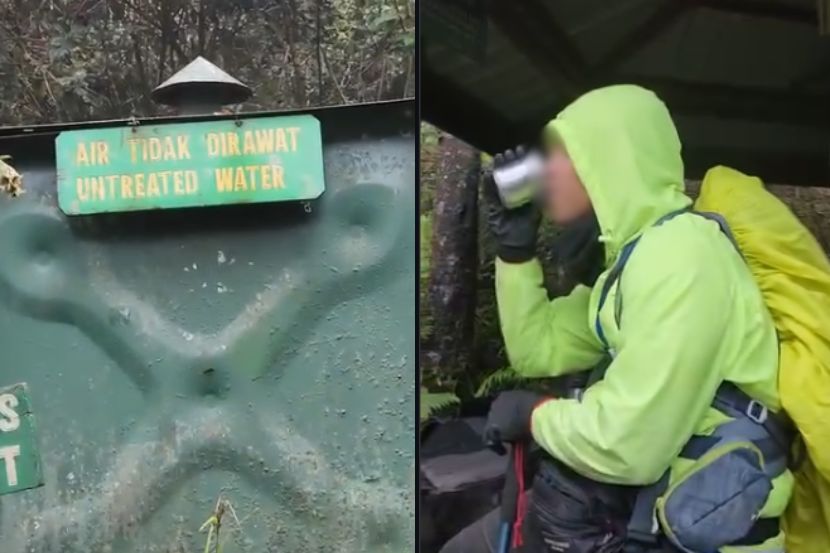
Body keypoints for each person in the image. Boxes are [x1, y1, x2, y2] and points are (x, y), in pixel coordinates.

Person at [439, 85, 793, 552]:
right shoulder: (631, 264)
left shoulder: (683, 256)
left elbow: (630, 444)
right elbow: (537, 347)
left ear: (606, 160)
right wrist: (516, 253)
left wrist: (536, 415)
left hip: (703, 536)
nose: (544, 172)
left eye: (558, 153)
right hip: (644, 515)